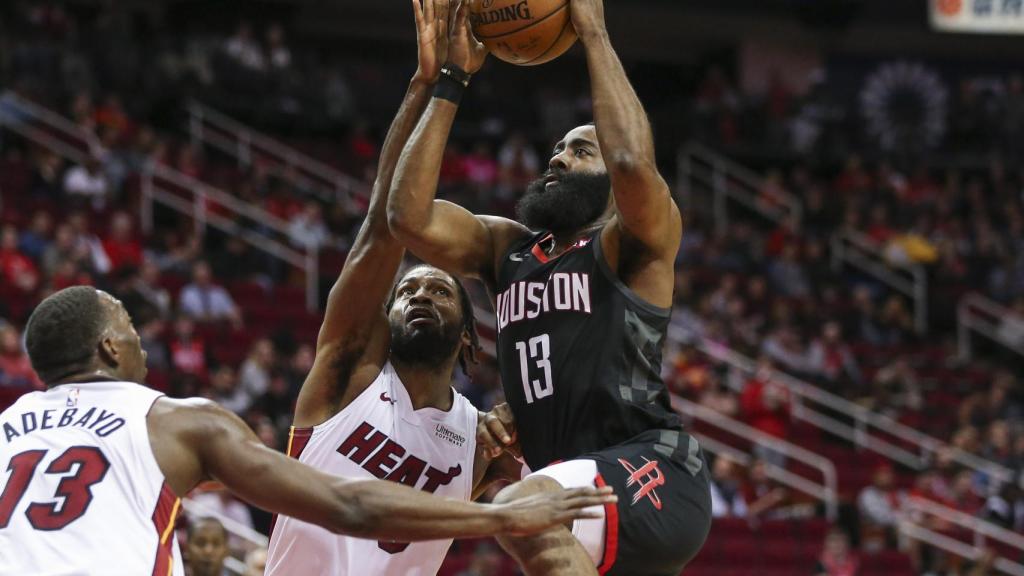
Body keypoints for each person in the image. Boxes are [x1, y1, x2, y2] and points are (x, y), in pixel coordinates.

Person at [387, 0, 711, 574]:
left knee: (519, 510)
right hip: (570, 479)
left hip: (651, 462)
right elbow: (407, 218)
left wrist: (593, 32)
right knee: (526, 510)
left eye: (580, 151)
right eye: (557, 149)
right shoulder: (506, 249)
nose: (558, 159)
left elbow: (632, 162)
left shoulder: (630, 243)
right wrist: (452, 80)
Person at [0, 287, 614, 575]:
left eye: (438, 290)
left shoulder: (8, 425)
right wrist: (500, 517)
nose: (141, 338)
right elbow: (351, 505)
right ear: (110, 347)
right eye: (130, 327)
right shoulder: (172, 418)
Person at [266, 1, 525, 574]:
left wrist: (525, 426)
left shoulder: (478, 440)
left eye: (440, 291)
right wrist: (434, 85)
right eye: (407, 292)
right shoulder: (349, 373)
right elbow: (382, 224)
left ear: (469, 338)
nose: (420, 296)